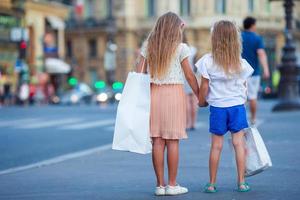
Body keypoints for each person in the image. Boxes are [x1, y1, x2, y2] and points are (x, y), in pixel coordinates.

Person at [136, 12, 199, 196]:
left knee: (157, 140)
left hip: (153, 93)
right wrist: (199, 96)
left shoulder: (149, 46)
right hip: (174, 94)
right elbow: (189, 75)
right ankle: (172, 185)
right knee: (172, 141)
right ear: (176, 28)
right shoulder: (181, 48)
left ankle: (160, 185)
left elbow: (139, 73)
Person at [196, 20, 254, 193]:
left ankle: (212, 183)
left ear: (214, 38)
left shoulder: (207, 61)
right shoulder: (241, 63)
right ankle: (241, 182)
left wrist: (201, 101)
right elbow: (244, 86)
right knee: (238, 144)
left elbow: (204, 86)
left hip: (218, 107)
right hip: (237, 107)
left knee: (216, 146)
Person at [242, 17, 270, 125]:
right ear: (253, 25)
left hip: (241, 73)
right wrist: (266, 69)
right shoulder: (257, 38)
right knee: (253, 96)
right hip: (254, 73)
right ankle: (253, 119)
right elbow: (261, 54)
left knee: (241, 97)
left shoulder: (239, 37)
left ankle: (242, 120)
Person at [183, 34, 198, 131]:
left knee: (187, 100)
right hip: (193, 75)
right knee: (193, 100)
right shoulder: (193, 49)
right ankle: (193, 122)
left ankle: (188, 122)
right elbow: (196, 64)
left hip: (183, 76)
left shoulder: (179, 49)